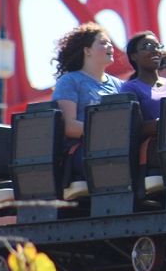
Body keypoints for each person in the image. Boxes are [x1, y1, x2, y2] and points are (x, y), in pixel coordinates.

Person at [51, 23, 123, 181]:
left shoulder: (119, 85)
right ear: (87, 50)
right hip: (83, 149)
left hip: (117, 148)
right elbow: (68, 126)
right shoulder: (70, 81)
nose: (110, 46)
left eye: (110, 43)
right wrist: (106, 133)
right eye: (103, 43)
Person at [121, 32, 166, 121]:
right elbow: (133, 128)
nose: (156, 50)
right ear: (134, 56)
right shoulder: (130, 88)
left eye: (158, 46)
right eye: (148, 47)